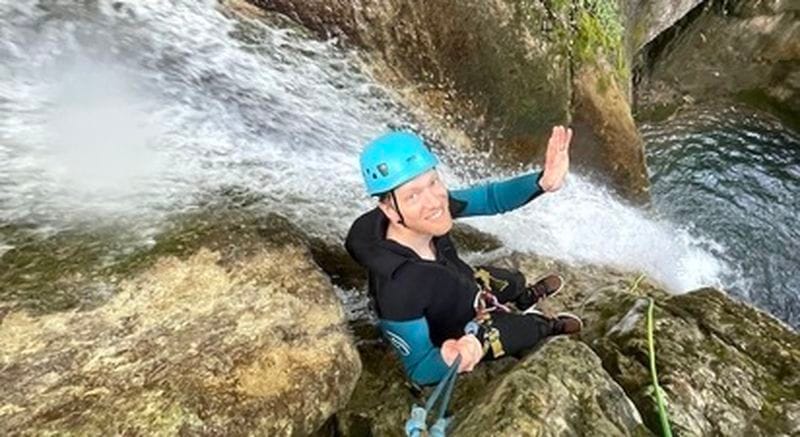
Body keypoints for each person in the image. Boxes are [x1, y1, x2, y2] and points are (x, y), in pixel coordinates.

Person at [345, 127, 583, 386]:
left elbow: (491, 198)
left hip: (465, 286)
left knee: (514, 280)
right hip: (456, 330)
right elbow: (419, 368)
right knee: (525, 330)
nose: (434, 202)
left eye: (433, 182)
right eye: (413, 195)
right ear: (389, 209)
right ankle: (547, 326)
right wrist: (452, 358)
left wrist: (542, 183)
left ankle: (524, 297)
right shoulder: (398, 290)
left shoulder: (428, 209)